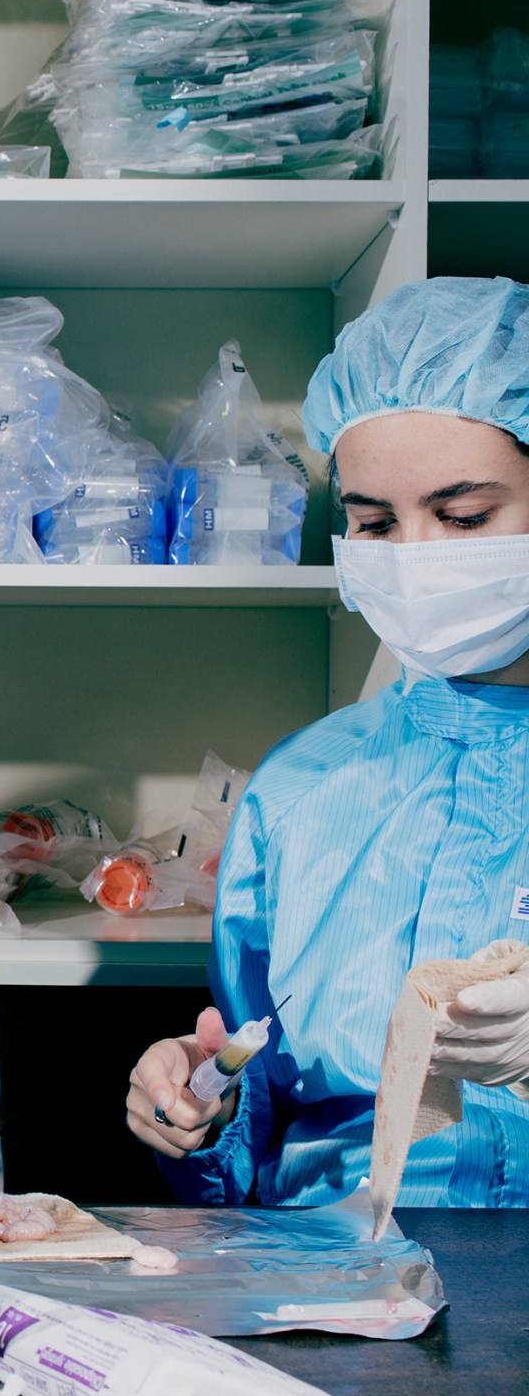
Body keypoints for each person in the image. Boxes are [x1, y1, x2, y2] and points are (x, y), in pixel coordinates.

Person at [127, 276, 529, 1207]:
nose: (415, 558)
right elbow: (259, 1100)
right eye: (374, 523)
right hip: (332, 1264)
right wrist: (205, 1105)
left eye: (465, 517)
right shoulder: (304, 788)